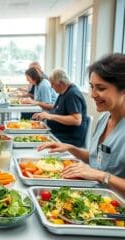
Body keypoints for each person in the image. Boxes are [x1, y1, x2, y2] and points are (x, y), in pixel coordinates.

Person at [38, 53, 125, 197]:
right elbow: (97, 159)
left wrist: (102, 176)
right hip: (94, 195)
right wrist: (70, 148)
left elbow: (99, 171)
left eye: (101, 88)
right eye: (92, 87)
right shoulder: (104, 118)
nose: (92, 94)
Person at [32, 69, 88, 147]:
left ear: (61, 83)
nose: (51, 87)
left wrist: (50, 116)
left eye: (52, 84)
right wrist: (45, 114)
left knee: (36, 143)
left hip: (69, 137)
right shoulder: (63, 92)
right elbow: (57, 110)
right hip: (59, 132)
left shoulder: (72, 94)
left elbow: (76, 120)